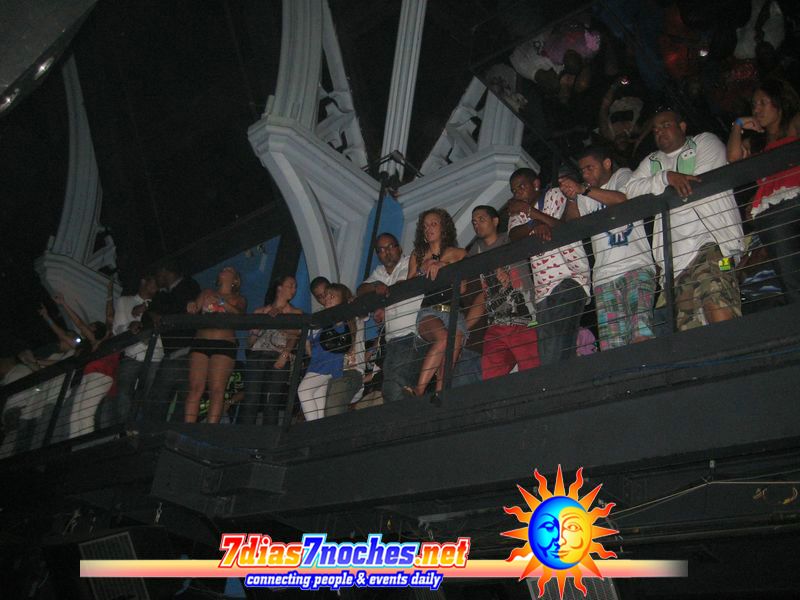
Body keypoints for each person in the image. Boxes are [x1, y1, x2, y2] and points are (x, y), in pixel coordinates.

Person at [626, 107, 745, 331]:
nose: (660, 132)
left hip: (713, 244)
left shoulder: (704, 142)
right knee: (690, 328)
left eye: (666, 125)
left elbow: (697, 181)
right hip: (676, 260)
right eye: (655, 130)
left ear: (682, 127)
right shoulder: (652, 162)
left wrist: (661, 186)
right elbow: (629, 191)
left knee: (718, 304)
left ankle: (737, 351)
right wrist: (666, 177)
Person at [560, 146, 656, 350]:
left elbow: (622, 199)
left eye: (590, 168)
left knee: (641, 334)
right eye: (582, 171)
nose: (585, 174)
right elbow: (573, 225)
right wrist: (571, 197)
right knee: (612, 346)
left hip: (636, 267)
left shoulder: (622, 176)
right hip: (604, 277)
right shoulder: (585, 193)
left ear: (606, 164)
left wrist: (583, 189)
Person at [727, 78, 800, 303]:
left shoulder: (793, 125)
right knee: (789, 274)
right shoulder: (757, 143)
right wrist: (738, 124)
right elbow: (733, 157)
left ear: (779, 103)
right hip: (772, 212)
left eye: (763, 103)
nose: (757, 110)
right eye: (753, 105)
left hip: (794, 197)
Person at [508, 168, 591, 365]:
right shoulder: (518, 211)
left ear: (536, 184)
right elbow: (513, 235)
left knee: (557, 342)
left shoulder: (554, 194)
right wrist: (533, 224)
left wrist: (532, 213)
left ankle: (556, 381)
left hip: (569, 276)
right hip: (542, 288)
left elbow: (563, 226)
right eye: (514, 190)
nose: (517, 193)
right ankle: (564, 381)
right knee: (550, 349)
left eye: (521, 186)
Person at [465, 205, 539, 379]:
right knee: (491, 375)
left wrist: (504, 266)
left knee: (531, 369)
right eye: (474, 222)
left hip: (523, 319)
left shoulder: (509, 239)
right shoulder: (476, 250)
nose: (477, 225)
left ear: (495, 221)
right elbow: (457, 259)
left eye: (481, 219)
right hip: (496, 324)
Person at [405, 209, 467, 396]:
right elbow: (409, 286)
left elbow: (463, 288)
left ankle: (440, 395)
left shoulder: (459, 253)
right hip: (430, 311)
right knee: (443, 338)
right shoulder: (418, 255)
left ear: (444, 227)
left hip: (455, 312)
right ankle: (419, 389)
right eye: (425, 226)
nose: (429, 229)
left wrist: (445, 267)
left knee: (452, 347)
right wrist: (422, 270)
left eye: (433, 224)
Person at [357, 233, 423, 403]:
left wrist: (381, 300)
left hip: (410, 333)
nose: (386, 252)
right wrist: (375, 285)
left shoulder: (409, 262)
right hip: (391, 338)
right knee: (392, 387)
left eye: (390, 246)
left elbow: (401, 286)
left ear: (399, 248)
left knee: (395, 386)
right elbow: (361, 290)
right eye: (381, 250)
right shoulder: (379, 272)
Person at [48, 294, 119, 439]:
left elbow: (81, 323)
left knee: (85, 415)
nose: (87, 327)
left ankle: (86, 448)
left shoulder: (106, 337)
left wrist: (63, 304)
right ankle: (76, 448)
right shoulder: (92, 343)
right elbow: (78, 326)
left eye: (91, 326)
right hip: (88, 375)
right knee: (74, 416)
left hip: (101, 375)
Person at [184, 267, 247, 423]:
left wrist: (221, 302)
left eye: (229, 270)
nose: (224, 270)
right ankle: (188, 427)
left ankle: (209, 429)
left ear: (235, 280)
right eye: (223, 269)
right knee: (195, 387)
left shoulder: (238, 299)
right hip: (201, 340)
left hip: (224, 343)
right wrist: (191, 305)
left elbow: (241, 315)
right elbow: (193, 311)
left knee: (217, 390)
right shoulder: (206, 293)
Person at [238, 275, 302, 426]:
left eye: (295, 287)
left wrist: (285, 354)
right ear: (279, 287)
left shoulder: (295, 313)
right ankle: (244, 435)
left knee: (271, 401)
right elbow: (250, 343)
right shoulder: (260, 311)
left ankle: (268, 436)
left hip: (278, 357)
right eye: (290, 285)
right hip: (256, 356)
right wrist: (259, 326)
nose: (294, 289)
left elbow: (294, 335)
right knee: (251, 400)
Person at [146, 261, 201, 422]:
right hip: (172, 353)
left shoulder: (188, 285)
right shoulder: (162, 294)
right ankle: (158, 431)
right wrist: (152, 314)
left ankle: (164, 432)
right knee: (161, 399)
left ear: (164, 271)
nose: (157, 280)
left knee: (169, 398)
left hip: (187, 351)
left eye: (158, 275)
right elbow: (150, 314)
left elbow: (184, 309)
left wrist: (159, 315)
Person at [297, 283, 354, 421]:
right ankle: (319, 428)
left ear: (342, 300)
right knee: (318, 399)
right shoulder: (324, 319)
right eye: (326, 296)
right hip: (318, 362)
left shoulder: (338, 318)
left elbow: (340, 326)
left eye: (332, 296)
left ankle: (312, 428)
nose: (327, 299)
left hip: (325, 364)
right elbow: (311, 343)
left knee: (303, 391)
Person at [112, 274, 163, 420]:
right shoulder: (125, 301)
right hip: (133, 353)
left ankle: (142, 427)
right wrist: (130, 326)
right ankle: (123, 428)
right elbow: (117, 328)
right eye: (154, 282)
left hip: (155, 354)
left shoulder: (160, 303)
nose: (156, 287)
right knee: (124, 394)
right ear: (143, 281)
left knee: (149, 396)